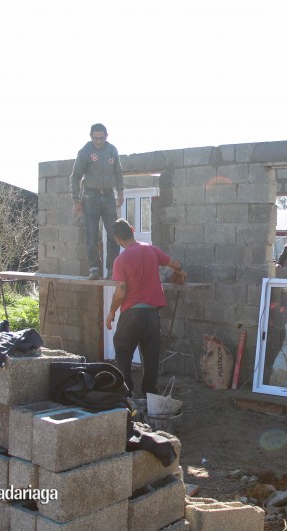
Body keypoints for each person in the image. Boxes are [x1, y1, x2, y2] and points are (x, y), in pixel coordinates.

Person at [106, 218, 186, 396]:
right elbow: (175, 264)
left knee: (123, 350)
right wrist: (180, 272)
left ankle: (127, 393)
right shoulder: (151, 249)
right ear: (133, 230)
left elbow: (120, 290)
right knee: (151, 357)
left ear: (118, 238)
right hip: (152, 315)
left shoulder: (121, 259)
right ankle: (150, 393)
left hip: (132, 315)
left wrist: (111, 312)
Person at [70, 123, 124, 280]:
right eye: (95, 138)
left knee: (114, 233)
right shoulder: (85, 151)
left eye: (101, 138)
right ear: (90, 136)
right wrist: (76, 200)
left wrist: (120, 192)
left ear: (107, 136)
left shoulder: (112, 150)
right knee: (92, 235)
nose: (98, 141)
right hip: (90, 196)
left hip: (108, 196)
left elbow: (118, 173)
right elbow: (75, 176)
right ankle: (94, 268)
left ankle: (112, 269)